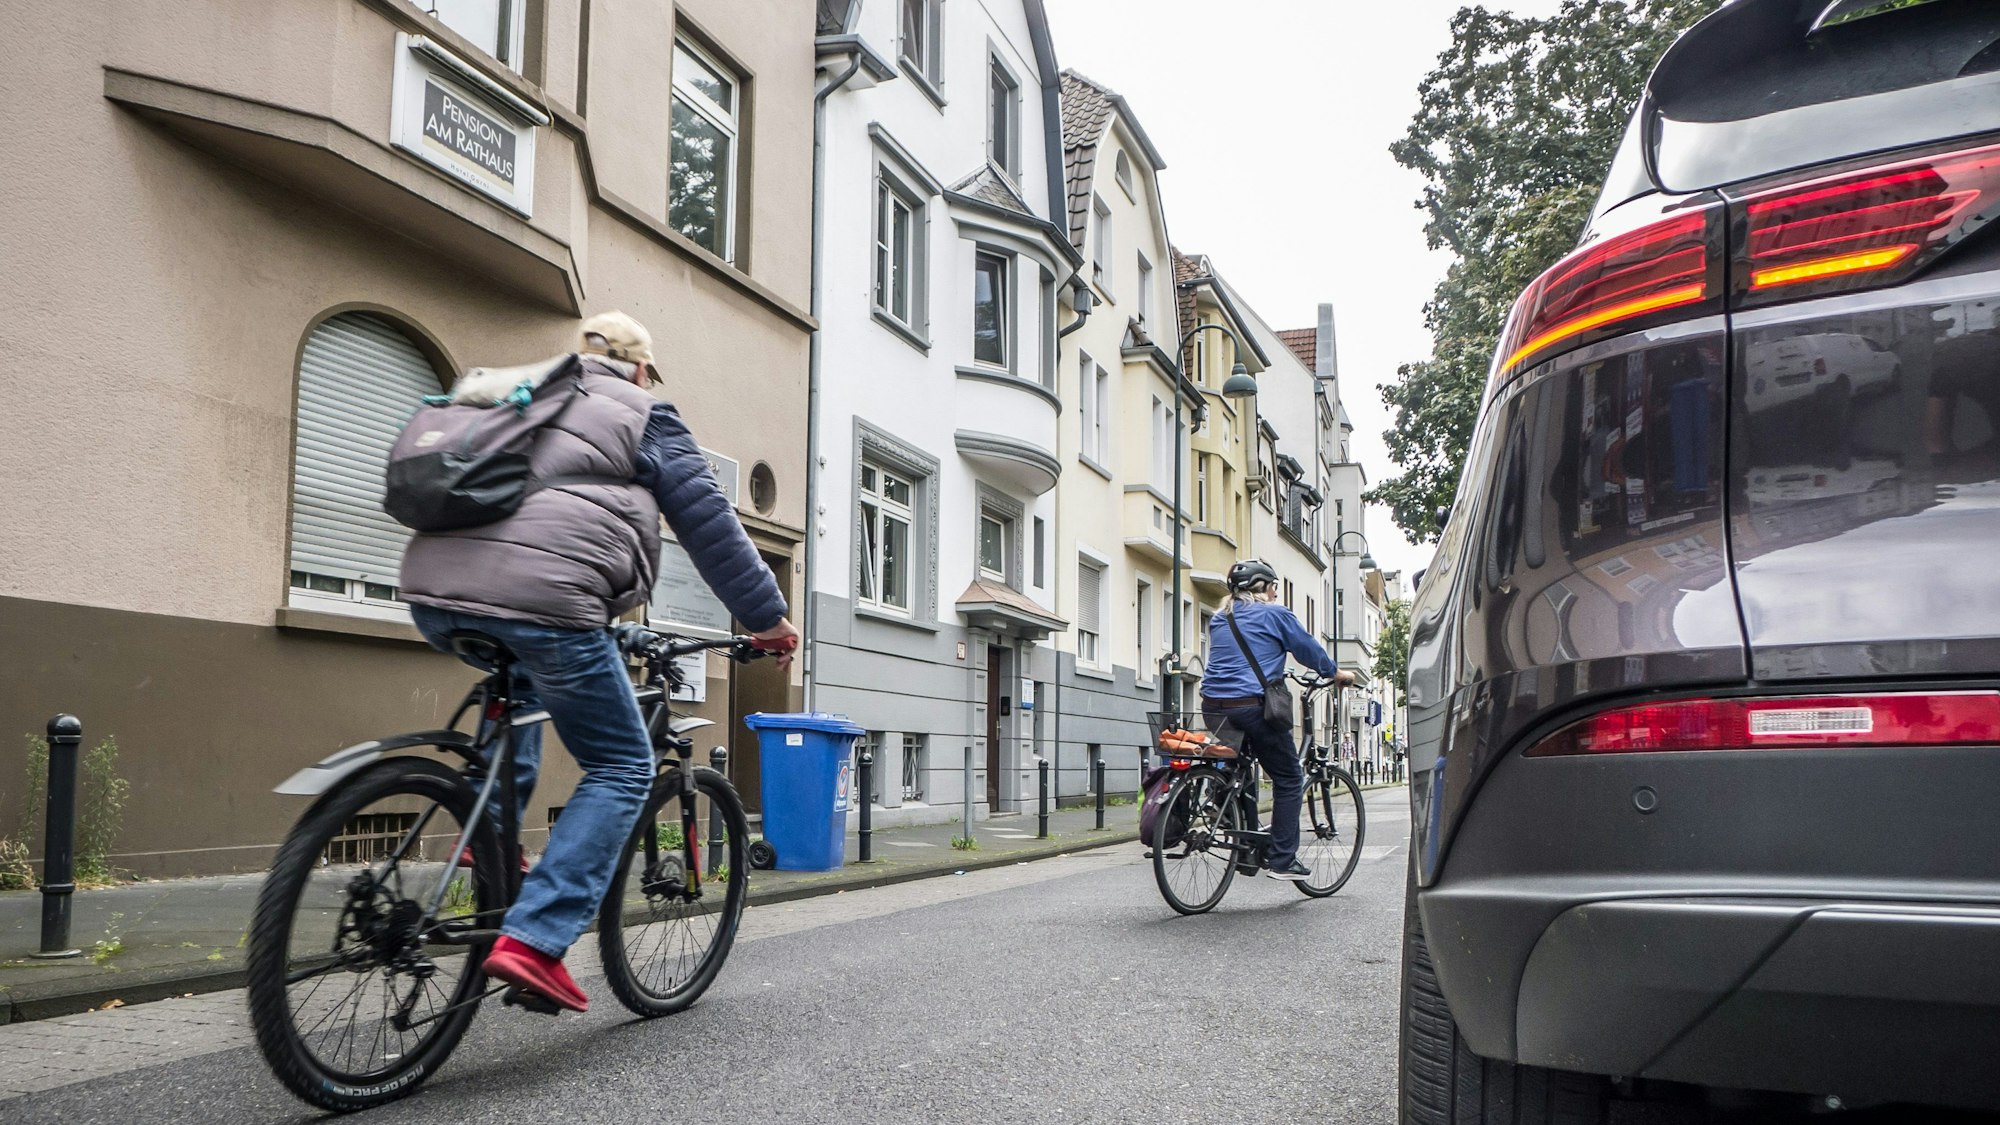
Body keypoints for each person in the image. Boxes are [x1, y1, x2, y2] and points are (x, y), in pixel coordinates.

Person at [398, 311, 798, 1013]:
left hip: (434, 592)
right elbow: (709, 524)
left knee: (519, 689)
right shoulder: (644, 413)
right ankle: (535, 940)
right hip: (546, 599)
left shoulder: (526, 396)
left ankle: (489, 839)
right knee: (623, 764)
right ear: (640, 369)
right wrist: (768, 619)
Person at [1201, 559, 1353, 881]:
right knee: (1289, 778)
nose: (1275, 593)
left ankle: (1238, 833)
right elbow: (1307, 648)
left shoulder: (1219, 618)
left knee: (1241, 768)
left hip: (1213, 708)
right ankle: (1283, 859)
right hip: (1253, 707)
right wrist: (1335, 672)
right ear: (1263, 587)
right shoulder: (1275, 614)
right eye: (1273, 587)